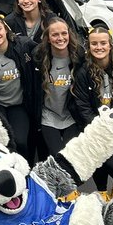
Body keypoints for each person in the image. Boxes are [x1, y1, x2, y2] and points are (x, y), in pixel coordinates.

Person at [71, 24, 113, 199]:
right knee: (98, 159)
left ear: (110, 45)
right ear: (89, 46)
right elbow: (83, 106)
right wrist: (99, 130)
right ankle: (101, 190)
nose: (99, 47)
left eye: (103, 43)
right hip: (96, 128)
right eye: (94, 44)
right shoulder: (83, 72)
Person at [0, 14, 38, 161]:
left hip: (19, 103)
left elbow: (44, 51)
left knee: (20, 142)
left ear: (6, 29)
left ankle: (24, 169)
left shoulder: (22, 45)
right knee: (1, 143)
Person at [32, 15, 84, 159]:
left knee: (70, 157)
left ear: (69, 34)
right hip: (48, 115)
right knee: (57, 156)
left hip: (71, 115)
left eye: (64, 33)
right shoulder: (39, 57)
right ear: (48, 38)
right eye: (55, 34)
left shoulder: (79, 57)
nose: (60, 38)